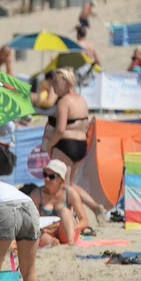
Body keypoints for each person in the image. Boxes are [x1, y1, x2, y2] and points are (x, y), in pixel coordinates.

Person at [43, 67, 95, 211]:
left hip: (65, 144)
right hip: (81, 145)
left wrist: (50, 146)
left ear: (66, 82)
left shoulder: (64, 102)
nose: (53, 86)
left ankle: (71, 216)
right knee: (70, 184)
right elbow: (85, 123)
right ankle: (94, 207)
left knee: (63, 186)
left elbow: (60, 129)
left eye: (56, 82)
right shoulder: (82, 100)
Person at [30, 159, 89, 247]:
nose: (46, 179)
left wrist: (74, 227)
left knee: (65, 211)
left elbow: (84, 220)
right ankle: (52, 242)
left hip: (66, 232)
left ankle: (71, 243)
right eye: (45, 175)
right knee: (34, 231)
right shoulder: (37, 194)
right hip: (47, 234)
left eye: (51, 176)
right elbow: (32, 221)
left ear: (61, 179)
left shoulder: (69, 193)